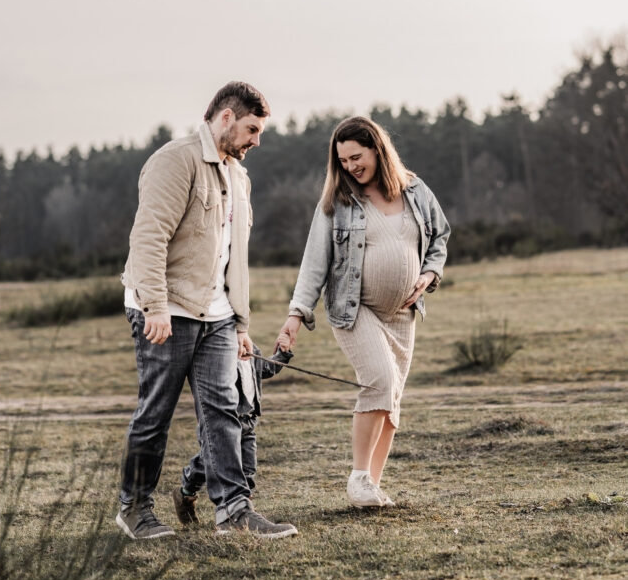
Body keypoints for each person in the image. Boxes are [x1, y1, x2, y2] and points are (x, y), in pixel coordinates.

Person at [117, 81, 297, 540]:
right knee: (156, 412)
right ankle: (134, 508)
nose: (257, 140)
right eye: (252, 129)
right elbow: (148, 237)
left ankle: (234, 511)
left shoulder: (239, 176)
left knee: (224, 410)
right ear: (224, 118)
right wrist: (155, 304)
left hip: (217, 316)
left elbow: (235, 255)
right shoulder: (174, 161)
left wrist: (240, 323)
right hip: (166, 311)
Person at [275, 116, 449, 509]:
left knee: (392, 398)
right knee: (380, 381)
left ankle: (371, 485)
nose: (351, 166)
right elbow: (313, 263)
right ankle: (357, 479)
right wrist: (295, 315)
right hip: (356, 311)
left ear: (377, 149)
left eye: (357, 156)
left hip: (402, 316)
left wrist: (430, 273)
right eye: (343, 160)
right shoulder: (338, 202)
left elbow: (440, 236)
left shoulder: (415, 190)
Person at [172, 343, 293, 524]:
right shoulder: (219, 352)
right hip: (223, 422)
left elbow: (265, 369)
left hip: (248, 422)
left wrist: (282, 355)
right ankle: (186, 492)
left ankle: (243, 511)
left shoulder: (254, 350)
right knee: (209, 461)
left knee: (248, 469)